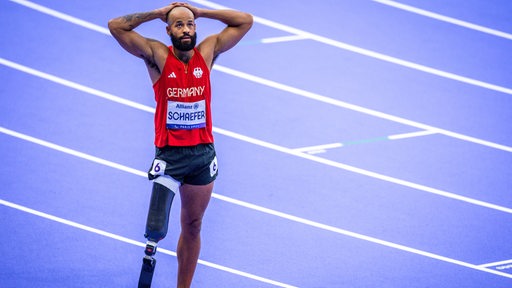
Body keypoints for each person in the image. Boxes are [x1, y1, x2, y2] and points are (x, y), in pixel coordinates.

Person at [108, 3, 253, 287]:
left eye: (189, 24)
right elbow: (116, 26)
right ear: (168, 29)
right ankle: (149, 262)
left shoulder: (207, 52)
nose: (185, 29)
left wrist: (200, 12)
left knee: (193, 225)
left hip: (201, 154)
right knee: (155, 229)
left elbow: (245, 21)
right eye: (178, 25)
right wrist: (157, 12)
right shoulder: (157, 56)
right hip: (170, 155)